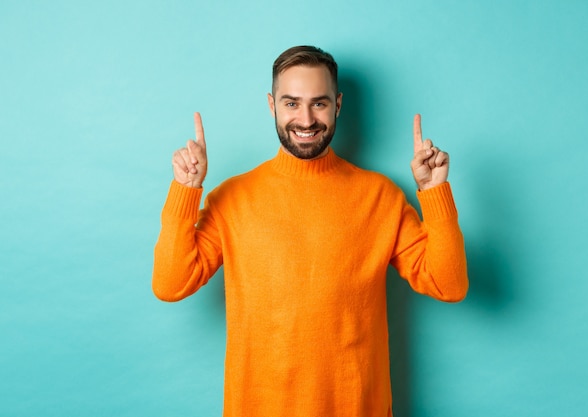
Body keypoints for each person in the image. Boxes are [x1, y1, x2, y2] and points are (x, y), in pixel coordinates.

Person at [153, 45, 468, 417]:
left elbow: (450, 285)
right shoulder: (232, 199)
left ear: (338, 104)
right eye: (291, 104)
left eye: (319, 103)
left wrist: (433, 193)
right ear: (272, 105)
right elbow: (170, 284)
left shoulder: (380, 196)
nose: (305, 119)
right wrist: (186, 190)